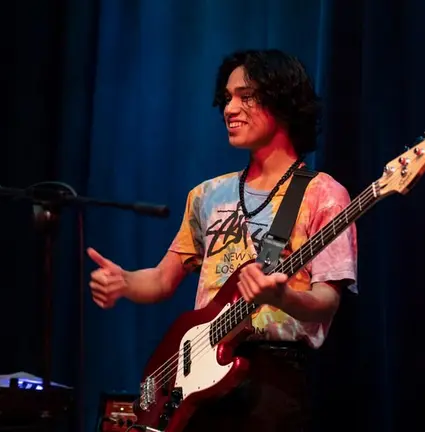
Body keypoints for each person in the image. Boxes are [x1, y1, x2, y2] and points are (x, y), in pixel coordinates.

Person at [88, 49, 358, 432]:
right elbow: (163, 280)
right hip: (200, 378)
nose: (229, 109)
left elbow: (326, 302)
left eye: (246, 96)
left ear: (282, 99)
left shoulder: (324, 195)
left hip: (273, 381)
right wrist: (125, 282)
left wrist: (281, 296)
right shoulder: (208, 195)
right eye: (227, 98)